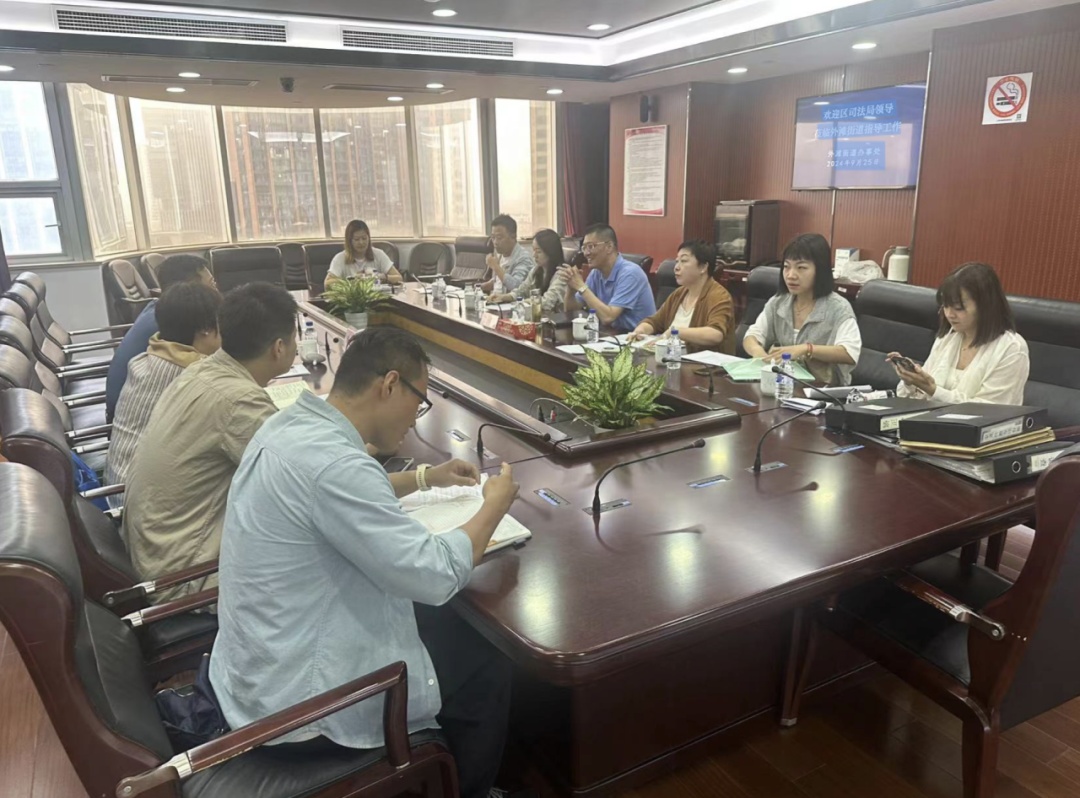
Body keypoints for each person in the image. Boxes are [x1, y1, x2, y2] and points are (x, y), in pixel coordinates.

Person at [209, 326, 522, 798]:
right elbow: (434, 574)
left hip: (255, 671)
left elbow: (342, 490)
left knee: (440, 624)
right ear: (390, 384)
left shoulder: (289, 426)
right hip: (304, 708)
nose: (414, 420)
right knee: (486, 660)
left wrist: (425, 477)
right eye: (418, 403)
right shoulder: (336, 465)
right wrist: (493, 507)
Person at [123, 282, 298, 602]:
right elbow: (304, 483)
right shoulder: (238, 401)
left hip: (157, 552)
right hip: (187, 577)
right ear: (279, 348)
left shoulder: (201, 371)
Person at [104, 283, 222, 510]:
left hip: (119, 488)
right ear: (206, 329)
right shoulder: (192, 376)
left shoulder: (147, 357)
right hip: (144, 505)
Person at [892, 262, 1029, 404]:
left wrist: (933, 390)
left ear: (985, 306)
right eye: (945, 306)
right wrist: (911, 382)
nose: (949, 314)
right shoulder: (948, 337)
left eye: (958, 308)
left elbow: (991, 410)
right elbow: (919, 397)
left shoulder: (1011, 348)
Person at [105, 254, 217, 421]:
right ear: (191, 289)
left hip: (130, 407)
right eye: (212, 284)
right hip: (129, 415)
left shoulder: (158, 308)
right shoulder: (174, 321)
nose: (216, 290)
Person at [742, 233, 861, 386]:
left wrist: (806, 349)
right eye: (786, 267)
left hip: (822, 390)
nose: (791, 275)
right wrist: (758, 353)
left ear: (820, 270)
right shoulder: (779, 302)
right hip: (784, 385)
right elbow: (752, 336)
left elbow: (849, 353)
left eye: (801, 268)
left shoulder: (839, 308)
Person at [628, 240, 735, 354]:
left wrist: (676, 332)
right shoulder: (679, 294)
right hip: (672, 358)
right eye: (677, 261)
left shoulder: (719, 296)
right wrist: (640, 331)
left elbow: (715, 334)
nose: (676, 267)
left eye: (683, 261)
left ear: (703, 267)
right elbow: (654, 322)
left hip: (703, 363)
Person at [561, 223, 656, 334]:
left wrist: (581, 286)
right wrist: (571, 288)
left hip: (638, 337)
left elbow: (608, 317)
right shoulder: (596, 273)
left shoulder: (630, 273)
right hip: (611, 334)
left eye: (591, 246)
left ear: (609, 247)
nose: (586, 253)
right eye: (584, 248)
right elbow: (571, 311)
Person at [488, 228, 570, 313]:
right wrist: (504, 297)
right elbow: (522, 290)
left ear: (550, 252)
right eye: (534, 250)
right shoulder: (536, 270)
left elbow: (547, 303)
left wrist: (525, 302)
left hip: (556, 319)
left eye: (538, 252)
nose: (534, 255)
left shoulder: (562, 274)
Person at [325, 219, 403, 289]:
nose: (361, 242)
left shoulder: (379, 254)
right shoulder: (340, 258)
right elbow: (327, 284)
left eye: (364, 238)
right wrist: (353, 280)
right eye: (356, 239)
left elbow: (399, 278)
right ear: (349, 241)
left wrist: (382, 277)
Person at [479, 214, 535, 295]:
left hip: (510, 302)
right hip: (495, 299)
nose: (495, 242)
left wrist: (495, 267)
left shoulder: (523, 258)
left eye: (499, 238)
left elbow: (516, 286)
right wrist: (480, 287)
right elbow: (498, 281)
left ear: (513, 236)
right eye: (493, 237)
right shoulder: (501, 255)